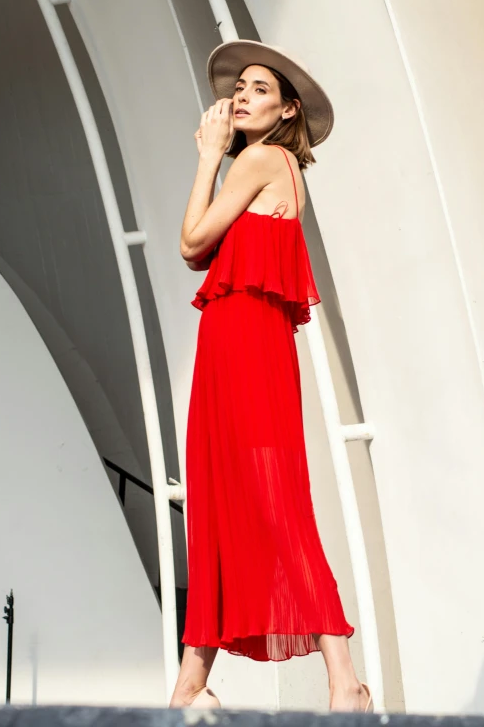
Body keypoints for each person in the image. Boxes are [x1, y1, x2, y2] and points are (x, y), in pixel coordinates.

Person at [174, 40, 373, 714]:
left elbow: (192, 243)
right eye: (238, 87)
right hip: (245, 343)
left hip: (240, 343)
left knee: (260, 500)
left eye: (257, 89)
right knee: (236, 496)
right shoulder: (283, 169)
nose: (239, 95)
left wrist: (207, 155)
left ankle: (344, 678)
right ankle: (191, 683)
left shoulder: (259, 158)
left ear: (288, 110)